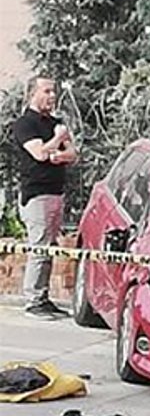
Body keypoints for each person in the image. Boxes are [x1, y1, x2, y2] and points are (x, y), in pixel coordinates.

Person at [11, 76, 78, 319]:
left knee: (49, 247)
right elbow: (39, 153)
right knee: (39, 247)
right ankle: (33, 300)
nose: (53, 96)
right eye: (47, 91)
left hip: (55, 192)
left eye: (54, 91)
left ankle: (43, 296)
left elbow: (72, 154)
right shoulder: (25, 124)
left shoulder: (56, 122)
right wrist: (58, 140)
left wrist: (58, 155)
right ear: (33, 93)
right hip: (36, 193)